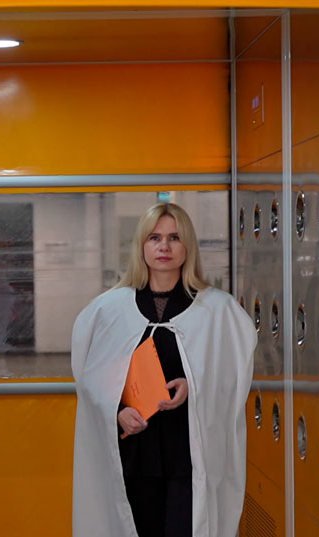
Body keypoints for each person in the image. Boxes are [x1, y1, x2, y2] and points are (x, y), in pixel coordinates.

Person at [71, 202, 256, 537]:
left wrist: (192, 386)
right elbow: (92, 380)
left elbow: (233, 378)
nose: (164, 247)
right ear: (142, 246)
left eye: (174, 237)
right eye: (154, 238)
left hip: (187, 456)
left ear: (188, 246)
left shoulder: (217, 311)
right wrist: (118, 411)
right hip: (134, 456)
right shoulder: (110, 310)